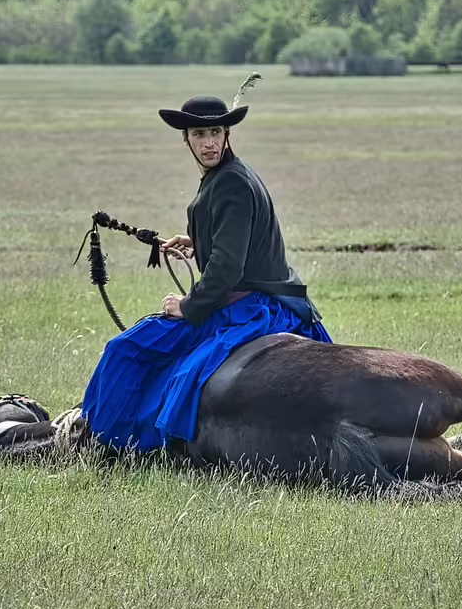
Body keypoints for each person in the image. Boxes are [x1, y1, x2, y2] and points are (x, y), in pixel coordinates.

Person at [81, 94, 333, 453]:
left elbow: (228, 268)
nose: (208, 142)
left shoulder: (231, 182)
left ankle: (113, 442)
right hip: (259, 296)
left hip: (252, 308)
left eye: (215, 132)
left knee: (126, 348)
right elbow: (238, 240)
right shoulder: (228, 174)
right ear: (186, 138)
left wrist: (188, 306)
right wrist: (198, 242)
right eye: (199, 134)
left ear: (226, 133)